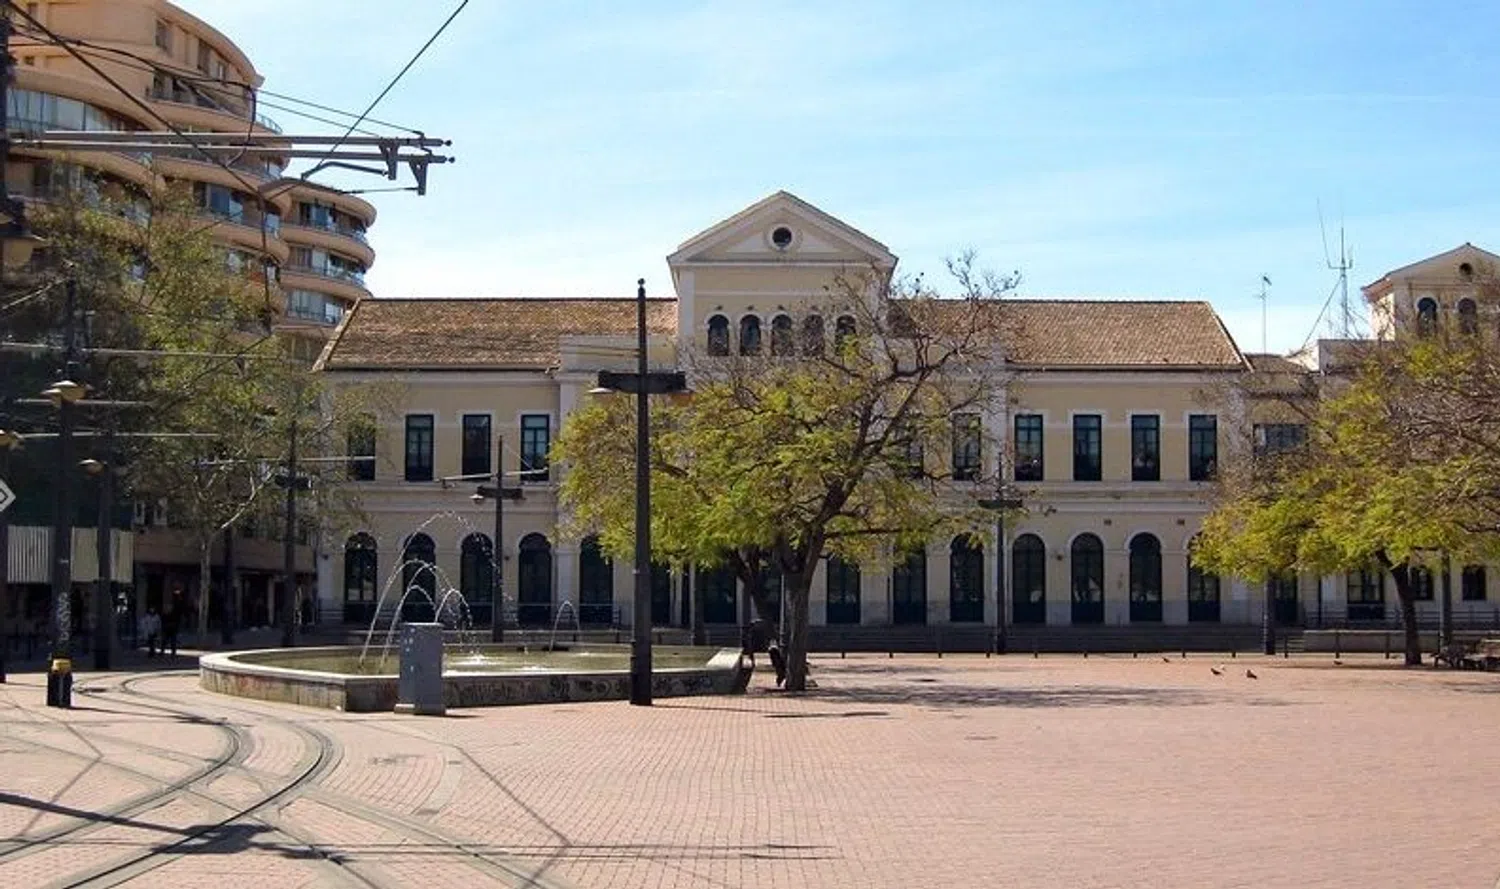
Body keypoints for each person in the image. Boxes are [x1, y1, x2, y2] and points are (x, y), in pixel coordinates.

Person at [161, 589, 182, 657]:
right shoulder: (176, 606)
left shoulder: (176, 607)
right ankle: (169, 653)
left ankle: (168, 652)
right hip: (171, 625)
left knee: (169, 640)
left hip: (172, 625)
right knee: (169, 640)